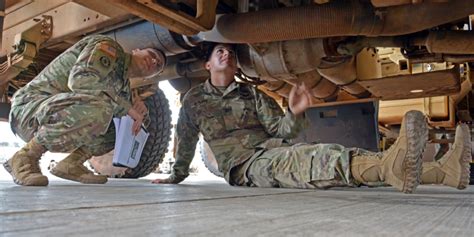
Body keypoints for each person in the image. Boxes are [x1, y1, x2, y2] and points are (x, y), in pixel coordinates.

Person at [152, 43, 471, 193]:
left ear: (237, 69)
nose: (227, 54)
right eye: (219, 52)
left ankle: (444, 172)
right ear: (207, 65)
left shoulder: (251, 95)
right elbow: (186, 141)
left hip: (272, 148)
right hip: (244, 165)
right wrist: (174, 177)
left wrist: (295, 111)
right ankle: (391, 168)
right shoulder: (194, 100)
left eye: (232, 54)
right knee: (312, 159)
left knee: (323, 155)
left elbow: (282, 130)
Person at [3, 35, 166, 186]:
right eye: (152, 54)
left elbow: (123, 115)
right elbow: (81, 81)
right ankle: (25, 156)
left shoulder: (123, 87)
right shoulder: (110, 48)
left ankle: (71, 164)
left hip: (51, 117)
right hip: (29, 109)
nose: (153, 61)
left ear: (150, 77)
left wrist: (140, 116)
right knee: (101, 107)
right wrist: (127, 107)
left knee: (125, 123)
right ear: (136, 50)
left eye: (158, 65)